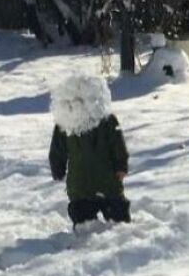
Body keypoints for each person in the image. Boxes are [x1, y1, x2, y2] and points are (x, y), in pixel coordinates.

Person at [49, 74, 131, 228]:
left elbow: (118, 144)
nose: (78, 104)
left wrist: (121, 166)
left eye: (83, 100)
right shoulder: (65, 125)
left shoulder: (107, 121)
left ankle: (118, 225)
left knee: (119, 219)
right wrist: (57, 169)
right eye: (74, 101)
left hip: (108, 181)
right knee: (83, 219)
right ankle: (84, 225)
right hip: (80, 185)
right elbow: (57, 150)